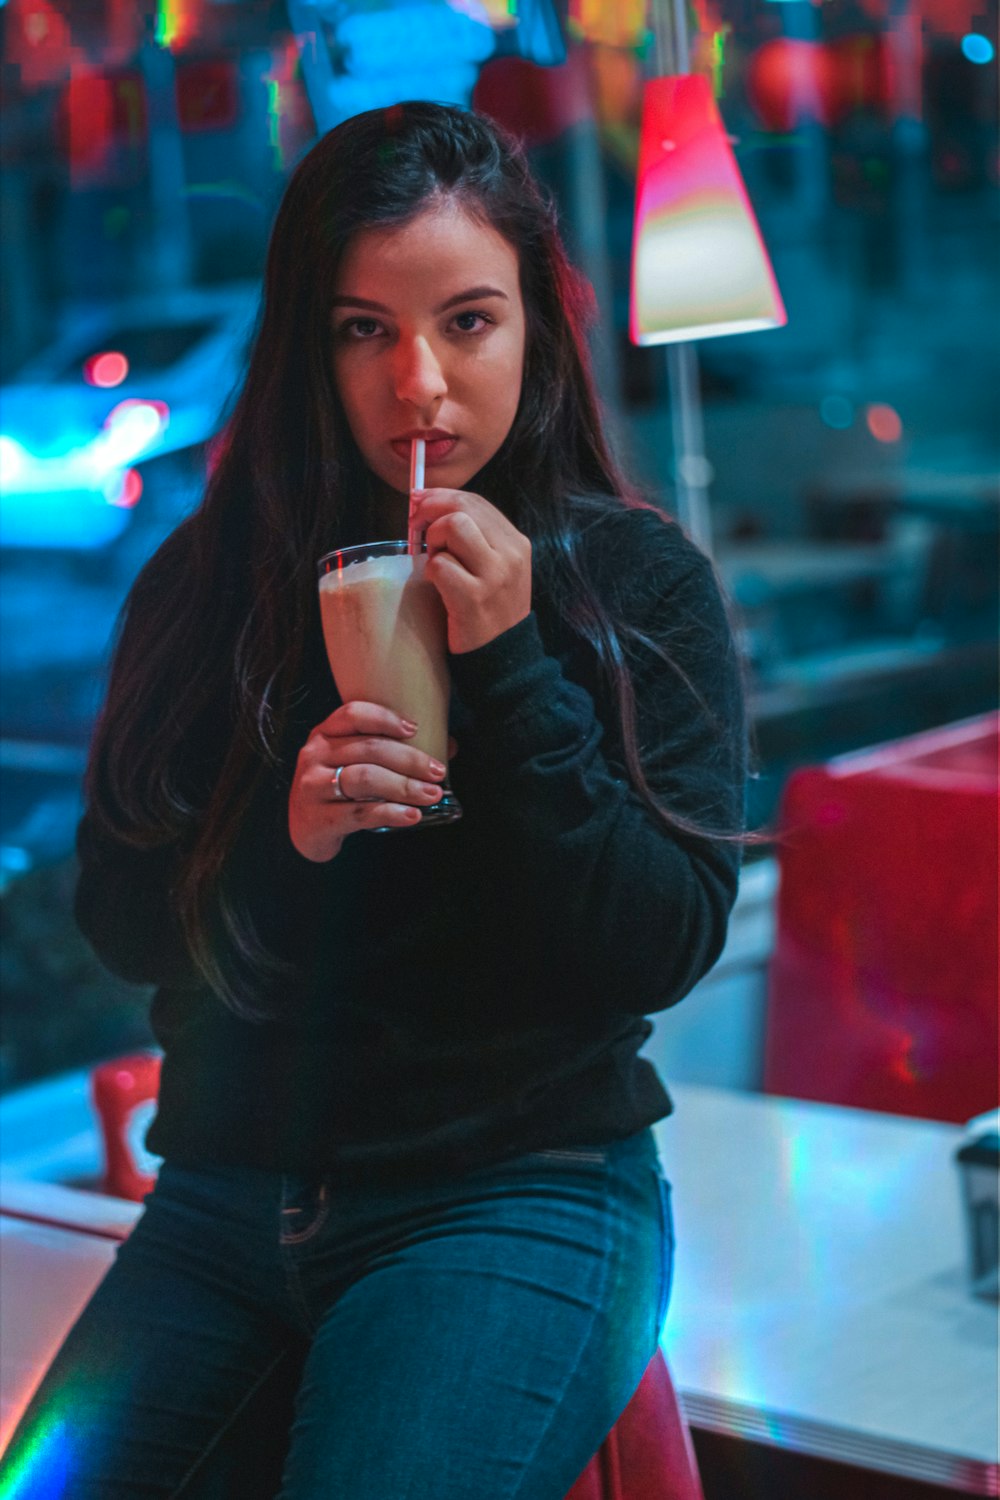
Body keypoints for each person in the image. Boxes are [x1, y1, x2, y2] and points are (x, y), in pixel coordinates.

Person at [2, 102, 746, 1498]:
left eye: (468, 323)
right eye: (365, 331)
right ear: (308, 346)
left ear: (533, 329)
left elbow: (663, 941)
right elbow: (121, 915)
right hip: (227, 1189)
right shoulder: (206, 584)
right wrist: (287, 844)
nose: (420, 387)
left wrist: (514, 669)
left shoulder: (635, 584)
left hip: (521, 1186)